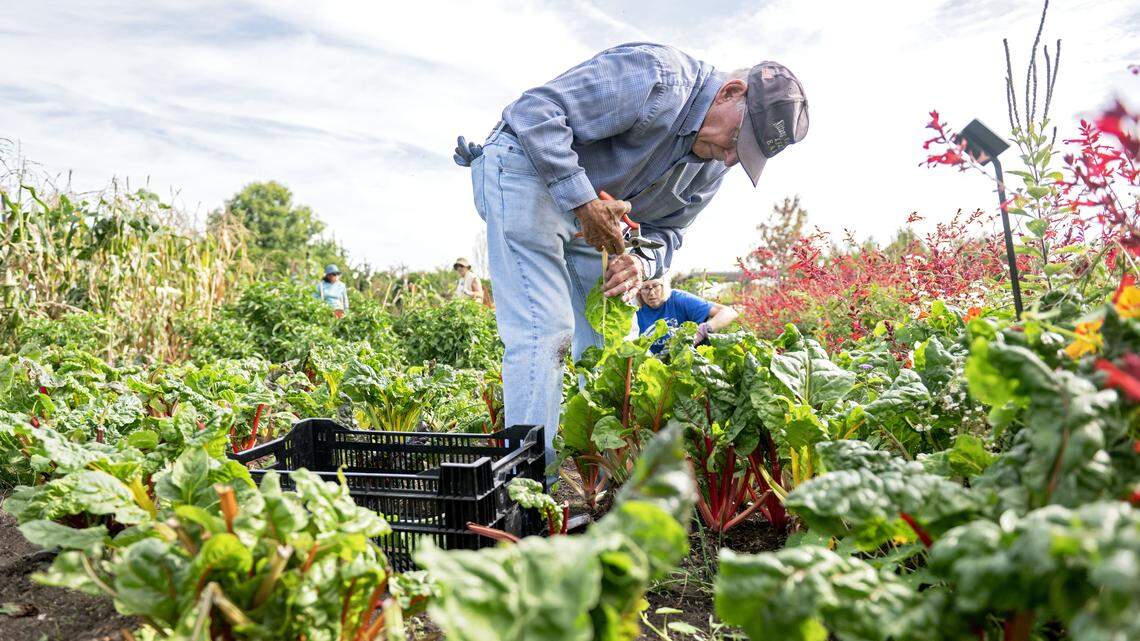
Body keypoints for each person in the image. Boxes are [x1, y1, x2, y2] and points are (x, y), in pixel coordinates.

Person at [453, 43, 809, 482]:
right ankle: (528, 487)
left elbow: (668, 232)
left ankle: (597, 478)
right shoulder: (657, 76)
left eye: (747, 155)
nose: (733, 158)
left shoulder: (714, 166)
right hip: (527, 171)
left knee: (609, 342)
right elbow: (534, 113)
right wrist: (582, 201)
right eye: (739, 140)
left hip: (596, 217)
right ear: (730, 93)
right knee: (546, 331)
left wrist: (639, 263)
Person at [636, 277, 739, 353]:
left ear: (664, 286)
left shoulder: (677, 299)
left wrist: (703, 330)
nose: (652, 293)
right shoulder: (633, 312)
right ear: (639, 291)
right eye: (645, 288)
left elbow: (729, 312)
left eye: (655, 286)